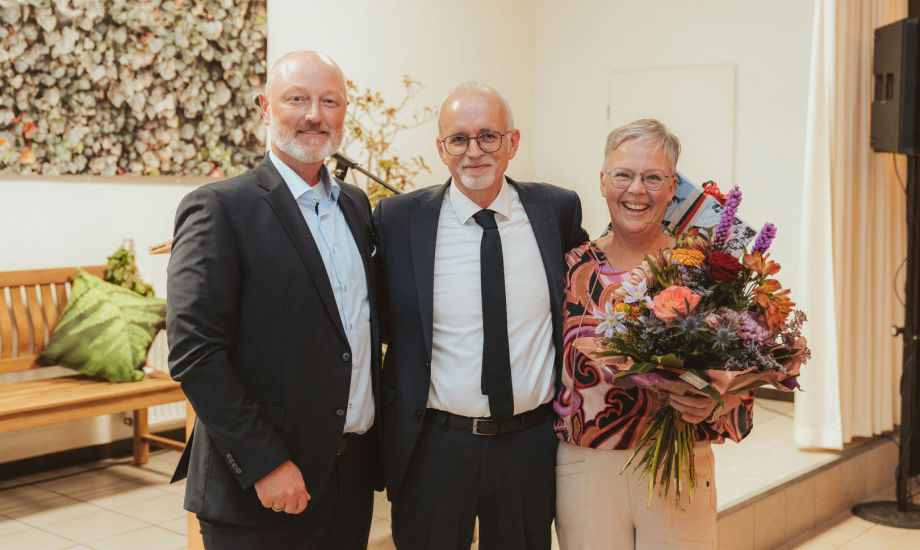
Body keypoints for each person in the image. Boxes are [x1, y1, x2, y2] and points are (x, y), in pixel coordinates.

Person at [166, 51, 380, 550]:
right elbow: (196, 352)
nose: (315, 115)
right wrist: (266, 464)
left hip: (349, 481)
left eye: (330, 101)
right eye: (297, 99)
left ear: (344, 111)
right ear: (265, 108)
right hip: (263, 489)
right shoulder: (219, 208)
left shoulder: (354, 205)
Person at [373, 82, 588, 550]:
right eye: (459, 139)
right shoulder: (397, 220)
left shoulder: (555, 211)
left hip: (529, 445)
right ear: (441, 148)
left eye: (488, 136)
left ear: (513, 142)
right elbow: (381, 321)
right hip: (433, 445)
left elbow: (588, 297)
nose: (474, 151)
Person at [553, 119, 753, 550]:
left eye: (653, 177)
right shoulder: (569, 267)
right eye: (623, 175)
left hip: (678, 463)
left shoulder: (703, 269)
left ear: (672, 187)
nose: (636, 190)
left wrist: (716, 399)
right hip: (586, 469)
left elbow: (746, 370)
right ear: (602, 181)